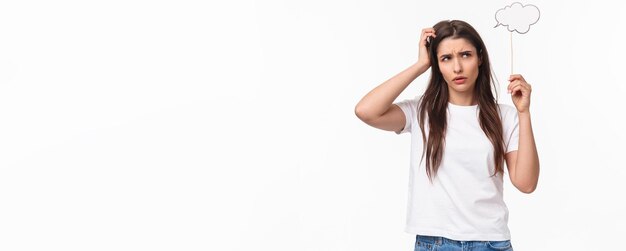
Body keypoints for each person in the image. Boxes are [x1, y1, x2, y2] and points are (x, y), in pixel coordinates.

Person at [354, 20, 539, 251]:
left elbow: (526, 183)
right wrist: (421, 65)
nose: (457, 68)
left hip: (491, 242)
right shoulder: (421, 111)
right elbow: (365, 111)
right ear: (437, 64)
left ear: (480, 58)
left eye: (465, 55)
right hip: (435, 242)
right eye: (446, 58)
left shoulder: (505, 116)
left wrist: (524, 112)